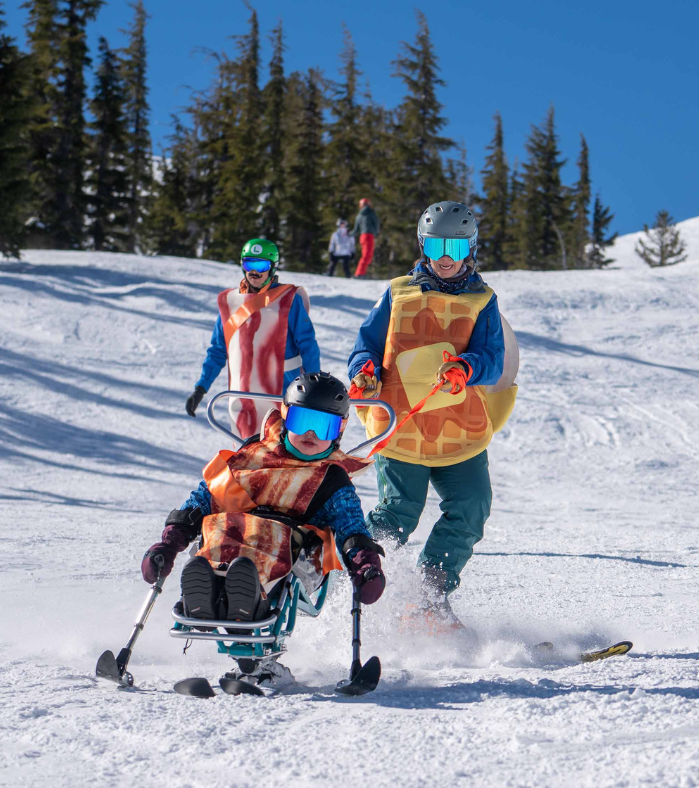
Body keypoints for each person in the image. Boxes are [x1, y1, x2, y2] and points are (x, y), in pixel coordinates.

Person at [142, 372, 386, 686]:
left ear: (338, 432)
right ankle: (205, 594)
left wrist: (364, 563)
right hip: (234, 543)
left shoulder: (331, 479)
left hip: (297, 556)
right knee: (218, 526)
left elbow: (351, 527)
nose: (311, 433)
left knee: (268, 542)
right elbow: (207, 496)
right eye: (301, 420)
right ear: (285, 416)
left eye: (323, 426)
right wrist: (170, 542)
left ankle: (247, 608)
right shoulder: (252, 455)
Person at [347, 201, 516, 628]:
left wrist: (467, 367)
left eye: (456, 249)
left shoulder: (482, 300)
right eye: (438, 245)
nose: (445, 257)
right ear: (423, 245)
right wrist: (363, 371)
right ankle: (354, 582)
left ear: (470, 250)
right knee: (398, 512)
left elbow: (494, 358)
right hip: (402, 428)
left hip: (459, 430)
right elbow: (366, 344)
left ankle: (428, 595)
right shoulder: (398, 291)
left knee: (472, 505)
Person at [185, 238, 321, 439]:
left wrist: (314, 387)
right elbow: (218, 350)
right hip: (244, 397)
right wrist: (201, 387)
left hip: (283, 395)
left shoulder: (288, 299)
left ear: (272, 268)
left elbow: (308, 345)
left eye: (261, 265)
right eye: (249, 263)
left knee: (282, 458)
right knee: (247, 458)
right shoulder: (231, 303)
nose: (254, 271)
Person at [351, 198, 380, 278]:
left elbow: (355, 230)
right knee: (367, 256)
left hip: (362, 237)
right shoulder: (371, 213)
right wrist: (376, 232)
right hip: (369, 235)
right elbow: (376, 223)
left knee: (366, 255)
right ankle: (359, 274)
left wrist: (349, 234)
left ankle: (361, 273)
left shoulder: (359, 216)